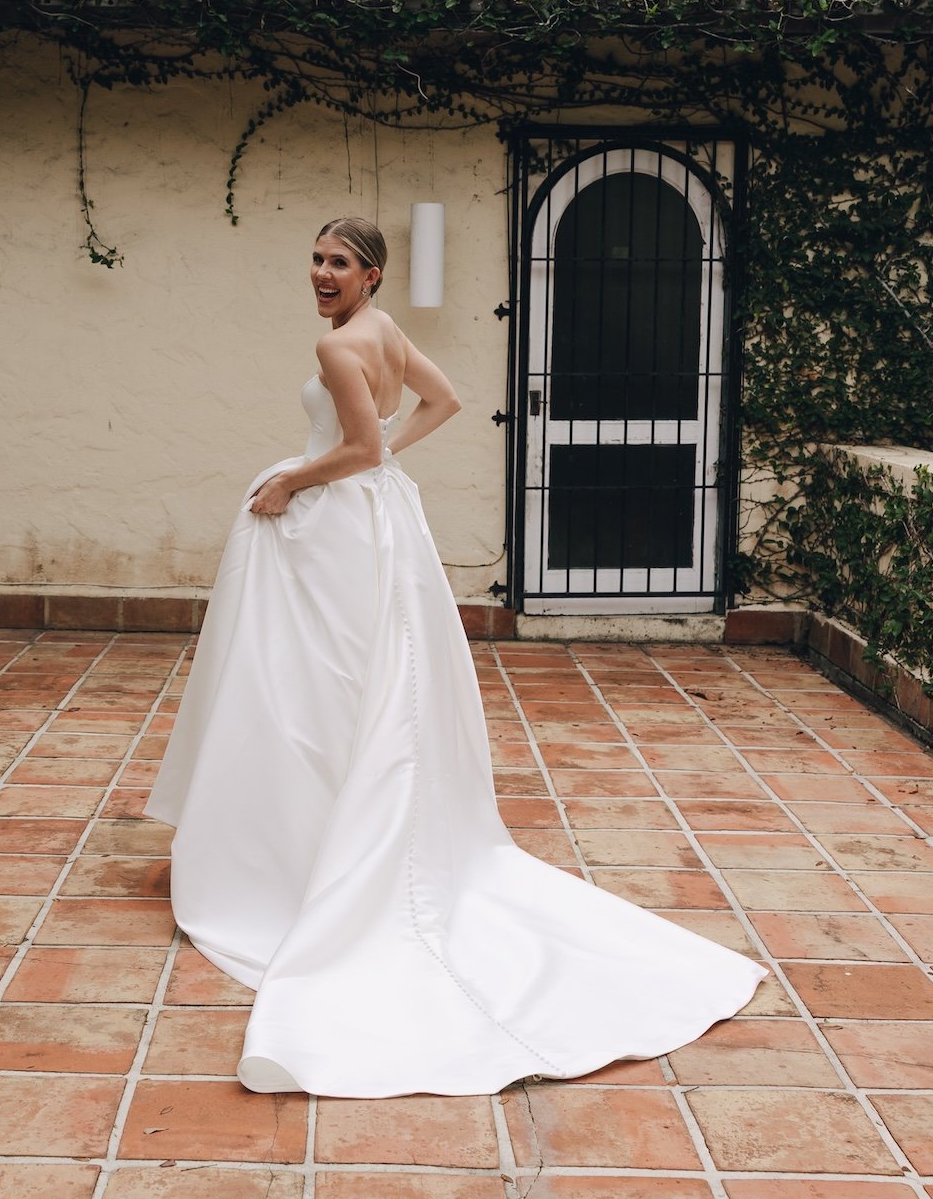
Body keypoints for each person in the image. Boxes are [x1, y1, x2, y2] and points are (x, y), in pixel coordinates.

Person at [145, 215, 763, 1097]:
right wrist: (381, 459)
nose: (322, 273)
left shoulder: (338, 352)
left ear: (372, 275)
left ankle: (307, 845)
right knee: (363, 677)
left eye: (340, 264)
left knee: (315, 682)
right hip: (382, 519)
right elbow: (440, 403)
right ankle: (331, 826)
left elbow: (357, 448)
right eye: (317, 259)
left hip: (341, 520)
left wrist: (289, 479)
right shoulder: (385, 335)